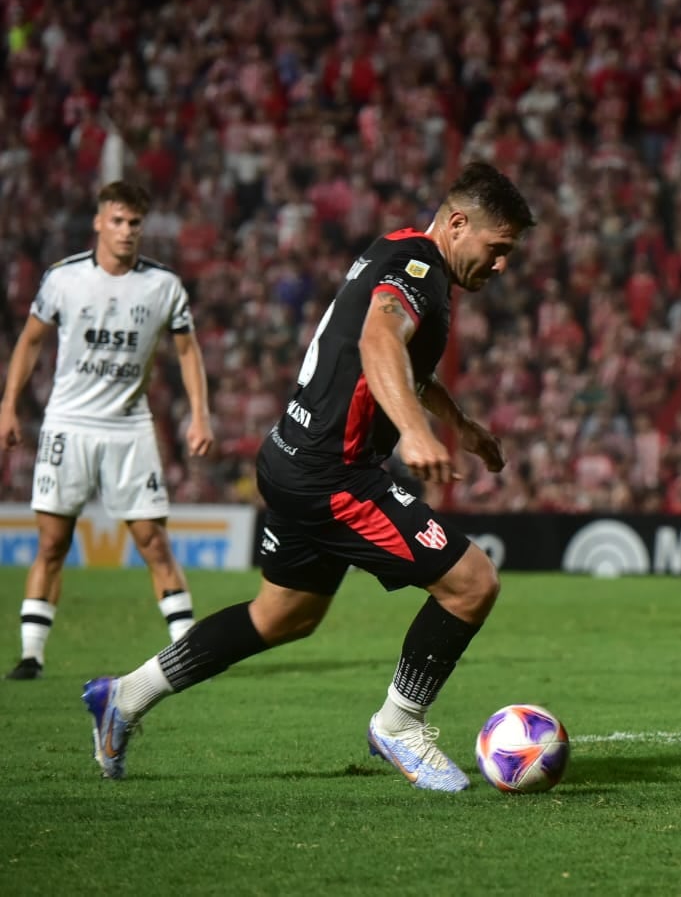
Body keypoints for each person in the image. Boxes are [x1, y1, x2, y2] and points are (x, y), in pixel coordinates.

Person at [82, 161, 535, 792]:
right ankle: (400, 724)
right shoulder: (421, 270)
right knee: (471, 583)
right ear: (459, 225)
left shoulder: (397, 250)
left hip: (290, 457)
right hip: (334, 473)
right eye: (499, 248)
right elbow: (380, 341)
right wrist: (411, 429)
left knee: (282, 616)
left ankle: (125, 696)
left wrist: (458, 422)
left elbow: (396, 359)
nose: (502, 264)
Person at [0, 180, 214, 681]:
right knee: (52, 543)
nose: (125, 231)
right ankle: (32, 655)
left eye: (134, 223)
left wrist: (199, 414)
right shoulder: (64, 279)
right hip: (68, 424)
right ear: (99, 222)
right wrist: (8, 404)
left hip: (128, 428)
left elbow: (188, 351)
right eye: (117, 221)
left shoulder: (163, 286)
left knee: (153, 542)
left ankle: (188, 652)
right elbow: (31, 341)